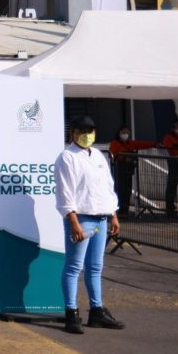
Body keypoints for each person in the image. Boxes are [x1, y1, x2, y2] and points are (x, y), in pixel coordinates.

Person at [54, 115, 123, 334]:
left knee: (95, 267)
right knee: (74, 266)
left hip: (101, 217)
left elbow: (107, 186)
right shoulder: (67, 157)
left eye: (90, 131)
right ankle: (71, 313)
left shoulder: (99, 156)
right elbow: (65, 192)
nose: (87, 135)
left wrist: (113, 213)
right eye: (82, 131)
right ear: (72, 134)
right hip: (82, 217)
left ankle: (97, 310)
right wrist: (73, 220)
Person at [107, 126, 156, 217]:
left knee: (127, 190)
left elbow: (141, 144)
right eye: (123, 132)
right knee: (119, 190)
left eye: (127, 133)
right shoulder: (115, 143)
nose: (126, 134)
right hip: (119, 169)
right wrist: (124, 158)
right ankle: (118, 209)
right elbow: (114, 154)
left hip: (129, 169)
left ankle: (125, 209)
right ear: (119, 133)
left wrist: (154, 144)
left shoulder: (130, 143)